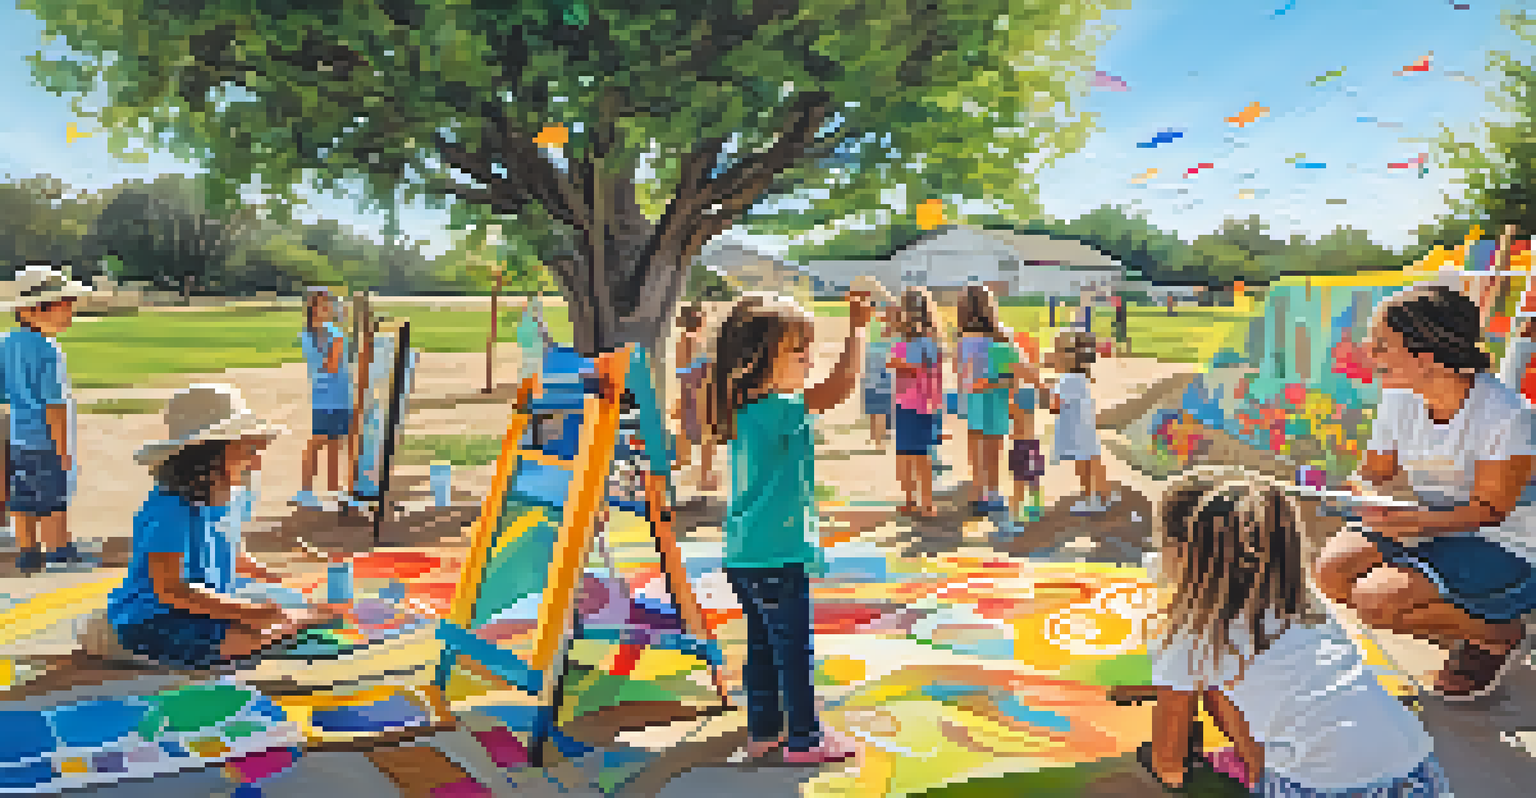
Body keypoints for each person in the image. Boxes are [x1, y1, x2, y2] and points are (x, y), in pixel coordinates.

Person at [1145, 468, 1451, 796]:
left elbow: (1169, 764)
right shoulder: (1308, 604)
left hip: (1323, 787)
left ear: (1181, 553)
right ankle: (1258, 767)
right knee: (1224, 686)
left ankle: (1258, 769)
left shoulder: (1191, 639)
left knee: (1215, 686)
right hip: (1417, 771)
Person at [1313, 284, 1536, 700]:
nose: (1369, 352)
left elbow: (1491, 511)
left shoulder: (1508, 416)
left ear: (1427, 356)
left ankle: (1497, 633)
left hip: (1503, 542)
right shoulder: (1400, 397)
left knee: (1374, 602)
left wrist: (1409, 521)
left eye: (1381, 344)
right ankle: (1455, 618)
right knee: (1330, 573)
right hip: (1432, 520)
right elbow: (1375, 472)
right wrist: (1349, 493)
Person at [706, 291, 869, 764]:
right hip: (776, 554)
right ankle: (805, 738)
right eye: (799, 350)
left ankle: (764, 730)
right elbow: (839, 389)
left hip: (746, 554)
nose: (808, 358)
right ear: (759, 358)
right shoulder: (776, 407)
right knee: (794, 651)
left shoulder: (743, 403)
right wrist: (857, 328)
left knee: (763, 647)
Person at [107, 385, 337, 669]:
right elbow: (170, 589)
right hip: (155, 618)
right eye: (248, 451)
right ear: (208, 458)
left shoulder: (231, 496)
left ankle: (290, 619)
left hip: (206, 603)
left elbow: (231, 551)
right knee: (264, 633)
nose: (256, 462)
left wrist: (266, 575)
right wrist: (252, 613)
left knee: (285, 606)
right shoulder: (170, 509)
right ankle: (293, 621)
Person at [2, 264, 90, 575]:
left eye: (69, 305)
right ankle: (59, 549)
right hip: (46, 440)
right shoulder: (49, 351)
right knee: (55, 498)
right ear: (29, 311)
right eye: (61, 306)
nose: (68, 312)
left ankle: (28, 553)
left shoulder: (6, 344)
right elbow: (55, 405)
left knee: (22, 499)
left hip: (19, 439)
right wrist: (64, 450)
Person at [1035, 331, 1114, 514]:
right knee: (1093, 462)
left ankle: (1091, 500)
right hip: (1085, 429)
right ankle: (1105, 496)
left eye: (1055, 352)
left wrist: (1040, 391)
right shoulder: (1078, 378)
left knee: (1084, 468)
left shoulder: (1067, 381)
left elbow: (1055, 406)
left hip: (1077, 433)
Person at [955, 285, 1015, 516]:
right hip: (996, 400)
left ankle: (979, 495)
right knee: (993, 450)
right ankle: (993, 493)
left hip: (972, 402)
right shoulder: (1000, 337)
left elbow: (960, 374)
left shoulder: (962, 341)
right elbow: (1008, 376)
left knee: (976, 450)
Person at [293, 288, 353, 510]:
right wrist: (339, 340)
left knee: (336, 443)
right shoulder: (309, 335)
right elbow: (330, 365)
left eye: (329, 304)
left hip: (341, 395)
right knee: (318, 441)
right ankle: (305, 491)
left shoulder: (333, 331)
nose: (327, 308)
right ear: (312, 308)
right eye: (322, 304)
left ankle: (334, 491)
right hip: (324, 397)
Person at [890, 287, 944, 518]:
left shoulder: (915, 341)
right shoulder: (925, 341)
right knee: (912, 453)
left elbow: (918, 368)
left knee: (912, 453)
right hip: (917, 404)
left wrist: (900, 364)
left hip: (915, 404)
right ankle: (919, 501)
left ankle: (917, 500)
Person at [673, 302, 719, 492]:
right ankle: (705, 477)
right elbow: (686, 369)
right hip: (699, 390)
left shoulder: (684, 340)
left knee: (690, 430)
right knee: (707, 435)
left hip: (690, 390)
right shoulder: (692, 340)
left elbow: (680, 370)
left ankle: (683, 463)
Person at [1008, 332, 1045, 525]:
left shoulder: (1017, 395)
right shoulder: (1031, 392)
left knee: (1018, 481)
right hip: (1033, 442)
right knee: (1034, 479)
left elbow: (1013, 414)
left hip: (1020, 443)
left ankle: (1015, 516)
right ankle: (1036, 507)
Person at [859, 287, 899, 448]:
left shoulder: (873, 321)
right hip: (880, 364)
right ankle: (878, 439)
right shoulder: (884, 323)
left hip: (873, 363)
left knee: (875, 404)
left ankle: (876, 438)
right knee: (881, 403)